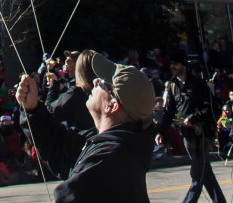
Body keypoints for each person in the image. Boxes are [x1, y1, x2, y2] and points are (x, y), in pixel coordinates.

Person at [16, 52, 156, 202]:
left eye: (103, 83)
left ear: (112, 105)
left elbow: (70, 196)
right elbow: (59, 147)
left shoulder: (109, 158)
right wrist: (33, 109)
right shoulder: (108, 144)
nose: (95, 81)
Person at [158, 49, 226, 203]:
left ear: (183, 65)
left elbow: (212, 109)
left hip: (202, 134)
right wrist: (160, 132)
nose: (172, 67)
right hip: (187, 136)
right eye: (171, 64)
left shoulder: (198, 83)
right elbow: (168, 113)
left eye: (175, 64)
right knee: (204, 172)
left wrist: (193, 118)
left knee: (197, 175)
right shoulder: (172, 86)